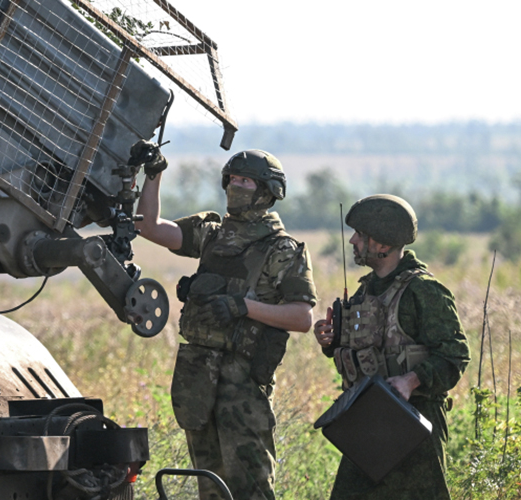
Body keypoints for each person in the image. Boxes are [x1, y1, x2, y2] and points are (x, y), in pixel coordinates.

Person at [132, 142, 317, 500]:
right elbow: (150, 227)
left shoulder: (283, 249)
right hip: (198, 379)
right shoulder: (212, 233)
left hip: (244, 384)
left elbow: (302, 317)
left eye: (246, 181)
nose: (236, 186)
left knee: (251, 488)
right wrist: (153, 174)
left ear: (268, 191)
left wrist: (243, 307)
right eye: (232, 178)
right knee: (210, 487)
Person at [313, 194, 470, 500]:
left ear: (383, 245)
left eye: (361, 235)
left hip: (414, 427)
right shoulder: (365, 290)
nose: (352, 241)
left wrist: (410, 381)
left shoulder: (423, 291)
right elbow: (363, 354)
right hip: (367, 422)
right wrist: (330, 343)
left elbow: (455, 355)